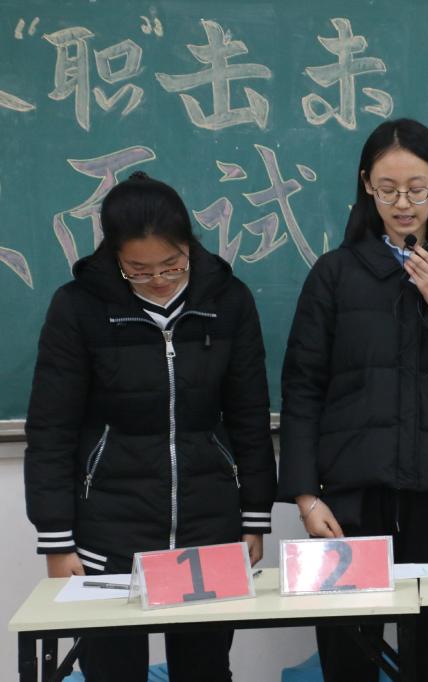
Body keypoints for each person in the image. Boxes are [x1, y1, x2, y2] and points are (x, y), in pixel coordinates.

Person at [278, 118, 428, 681]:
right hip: (349, 505)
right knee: (348, 664)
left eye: (416, 189)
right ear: (366, 185)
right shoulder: (334, 274)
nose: (403, 204)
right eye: (388, 190)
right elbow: (302, 387)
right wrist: (306, 497)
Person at [24, 171, 277, 681]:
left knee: (205, 670)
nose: (159, 279)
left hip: (208, 525)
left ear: (189, 245)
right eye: (138, 270)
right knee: (112, 671)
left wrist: (254, 516)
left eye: (172, 265)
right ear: (114, 256)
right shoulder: (79, 307)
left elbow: (249, 416)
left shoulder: (228, 301)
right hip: (108, 532)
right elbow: (51, 429)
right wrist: (56, 540)